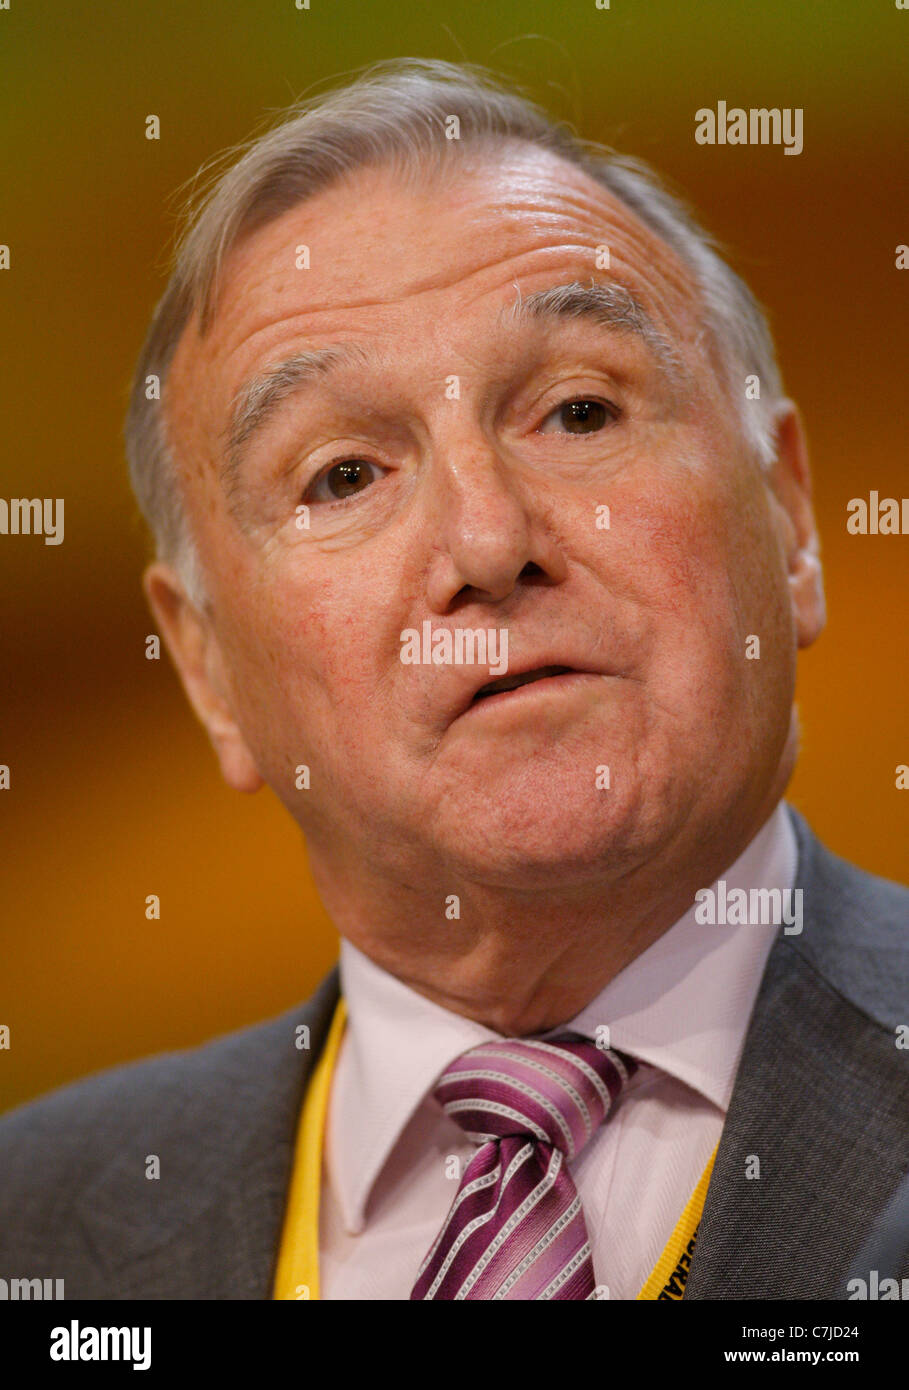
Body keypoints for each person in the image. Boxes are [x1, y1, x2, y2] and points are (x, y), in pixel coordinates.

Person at [1, 57, 907, 1302]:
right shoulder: (30, 1228)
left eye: (580, 412)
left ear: (790, 516)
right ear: (207, 669)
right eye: (343, 477)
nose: (488, 545)